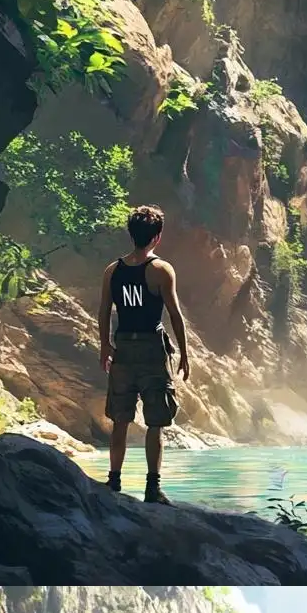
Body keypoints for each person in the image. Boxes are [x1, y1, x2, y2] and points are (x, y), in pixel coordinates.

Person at [98, 204, 188, 503]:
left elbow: (103, 312)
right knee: (156, 420)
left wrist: (105, 345)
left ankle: (113, 482)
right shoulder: (161, 270)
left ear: (131, 234)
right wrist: (185, 354)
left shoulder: (113, 270)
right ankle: (152, 488)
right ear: (157, 237)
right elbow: (174, 315)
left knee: (120, 418)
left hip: (123, 346)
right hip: (151, 349)